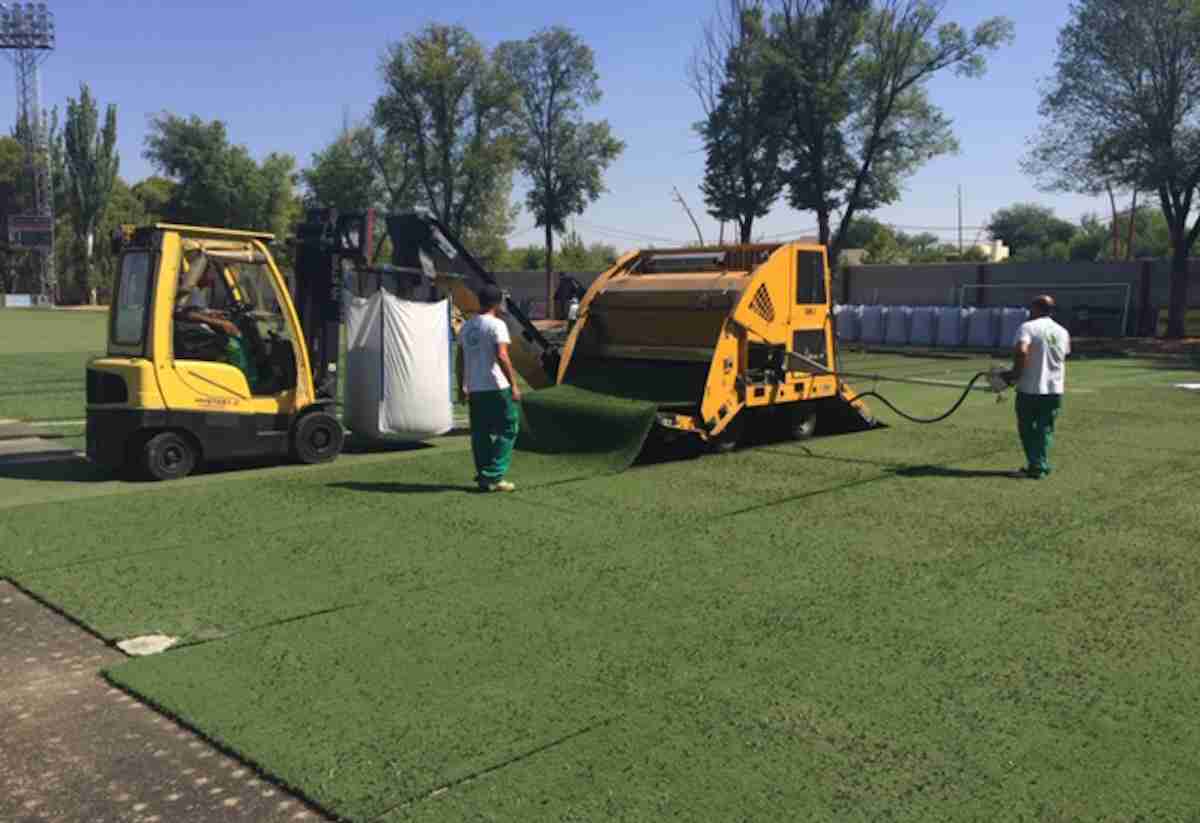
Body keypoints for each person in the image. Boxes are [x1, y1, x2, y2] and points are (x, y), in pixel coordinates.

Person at [458, 284, 522, 492]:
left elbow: (459, 359)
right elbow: (502, 356)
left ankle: (485, 476)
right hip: (496, 386)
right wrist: (513, 385)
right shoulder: (497, 325)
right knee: (509, 428)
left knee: (480, 433)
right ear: (498, 302)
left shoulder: (467, 326)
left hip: (475, 388)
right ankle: (493, 474)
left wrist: (462, 385)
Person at [1003, 294, 1071, 479]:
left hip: (1030, 389)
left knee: (1027, 429)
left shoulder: (1028, 327)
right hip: (1054, 390)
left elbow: (1021, 350)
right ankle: (1039, 464)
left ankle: (1037, 467)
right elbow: (1063, 355)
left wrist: (1014, 374)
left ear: (1036, 308)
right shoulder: (1062, 331)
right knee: (1045, 429)